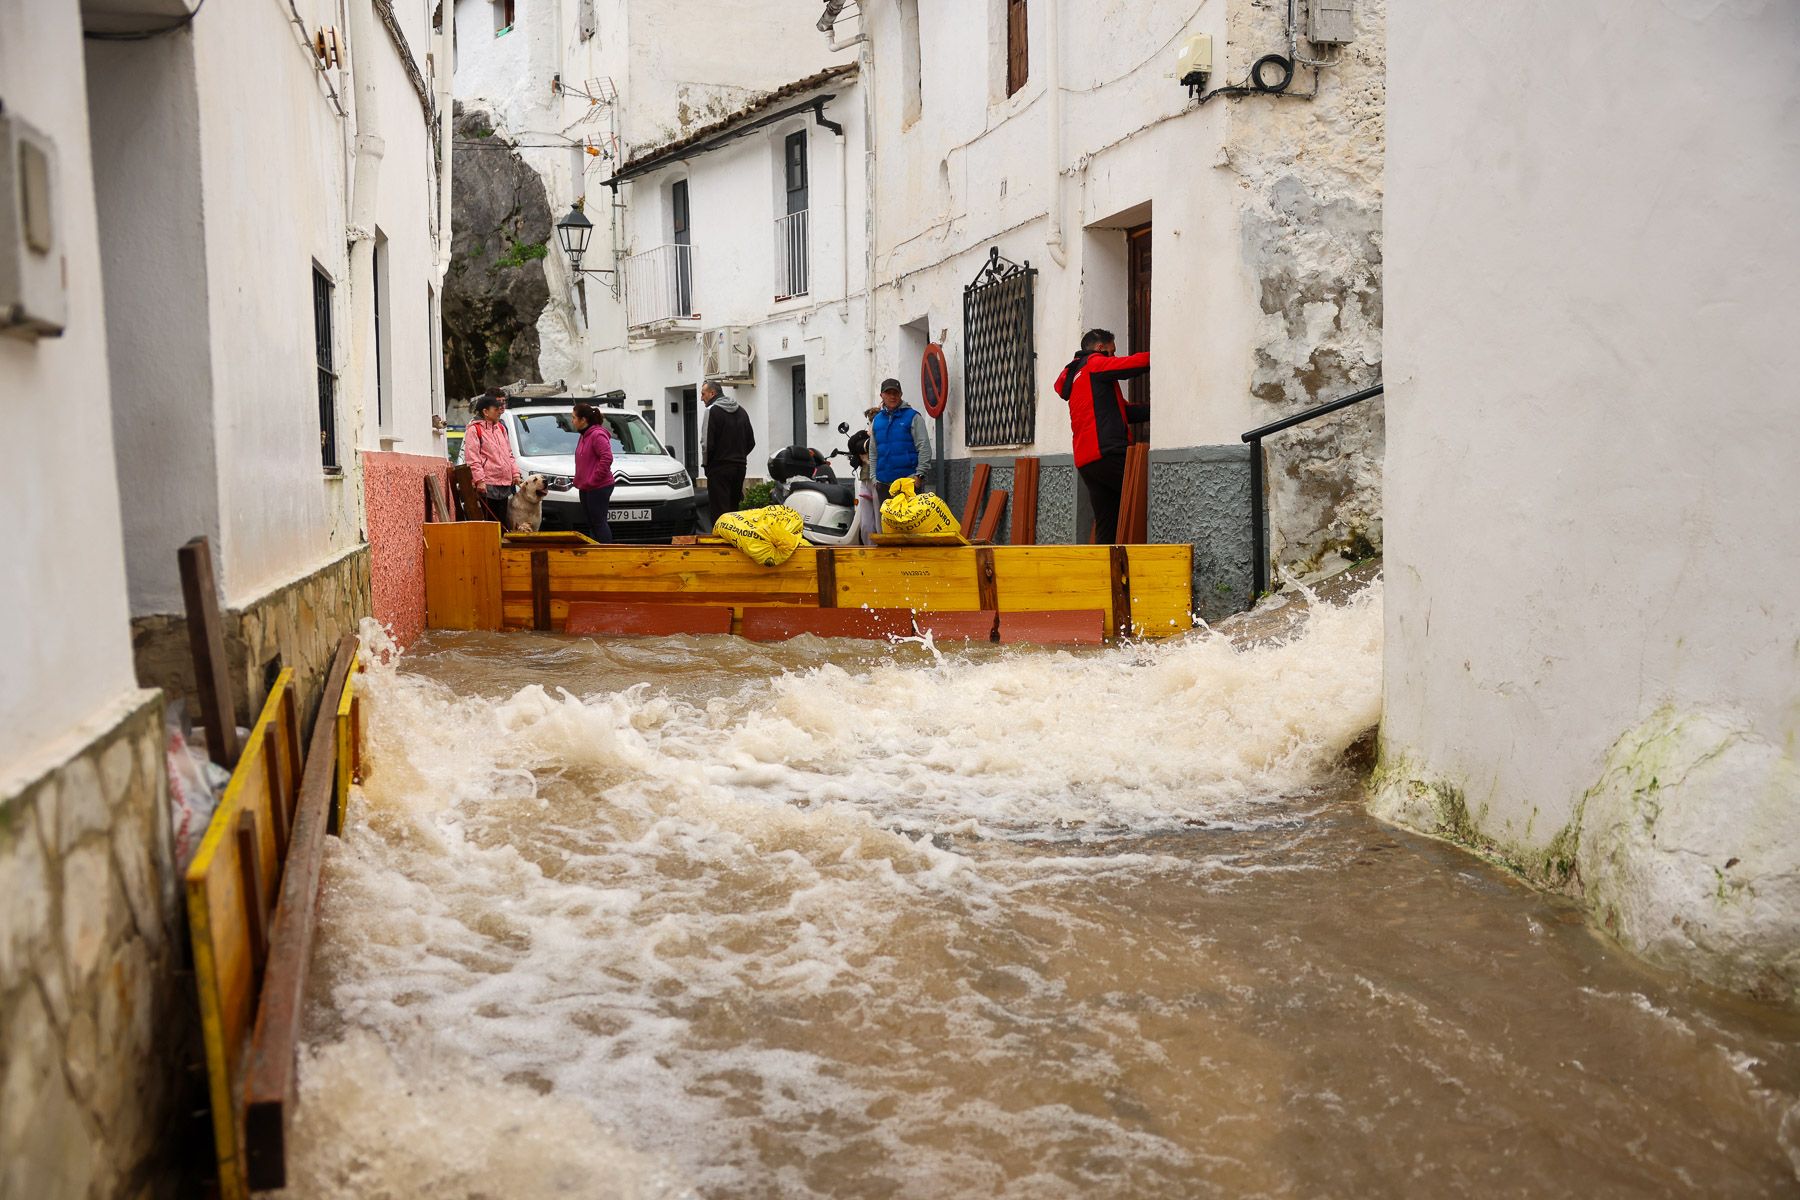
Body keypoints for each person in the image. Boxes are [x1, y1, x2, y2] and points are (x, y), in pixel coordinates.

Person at [1055, 329, 1149, 544]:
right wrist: (1160, 355)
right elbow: (1127, 366)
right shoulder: (1093, 364)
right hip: (1108, 452)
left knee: (1107, 522)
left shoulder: (1078, 376)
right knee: (1141, 498)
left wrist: (1157, 410)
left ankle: (1104, 573)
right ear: (1100, 348)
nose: (1114, 356)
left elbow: (1124, 412)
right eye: (1112, 351)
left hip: (1088, 461)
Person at [464, 388, 521, 527]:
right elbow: (473, 458)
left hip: (504, 484)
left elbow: (509, 454)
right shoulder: (474, 430)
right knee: (489, 524)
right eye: (495, 409)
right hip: (487, 485)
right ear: (485, 411)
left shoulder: (500, 428)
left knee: (502, 523)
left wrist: (515, 473)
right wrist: (480, 480)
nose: (499, 411)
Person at [701, 380, 754, 524]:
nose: (701, 398)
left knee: (719, 512)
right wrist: (739, 456)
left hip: (718, 468)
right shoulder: (742, 411)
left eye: (703, 394)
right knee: (733, 509)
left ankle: (720, 542)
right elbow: (751, 442)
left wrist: (707, 466)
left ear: (712, 393)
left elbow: (706, 443)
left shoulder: (711, 410)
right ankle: (733, 541)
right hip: (739, 467)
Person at [871, 377, 932, 501]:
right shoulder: (877, 420)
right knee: (888, 521)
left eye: (896, 393)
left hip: (908, 482)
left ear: (901, 395)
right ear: (881, 395)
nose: (892, 396)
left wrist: (919, 475)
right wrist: (874, 478)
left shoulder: (913, 417)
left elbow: (924, 446)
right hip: (883, 484)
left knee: (910, 520)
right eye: (888, 393)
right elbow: (873, 451)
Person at [571, 402, 616, 544]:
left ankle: (606, 553)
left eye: (574, 418)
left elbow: (607, 457)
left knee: (599, 523)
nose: (572, 421)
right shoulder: (583, 435)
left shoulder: (597, 435)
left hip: (598, 486)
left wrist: (594, 479)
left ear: (583, 420)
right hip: (586, 487)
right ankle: (595, 552)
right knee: (591, 523)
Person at [849, 407, 878, 545]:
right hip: (865, 478)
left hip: (880, 480)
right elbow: (853, 444)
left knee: (879, 523)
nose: (870, 425)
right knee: (866, 524)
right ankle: (869, 549)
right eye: (870, 421)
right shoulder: (864, 435)